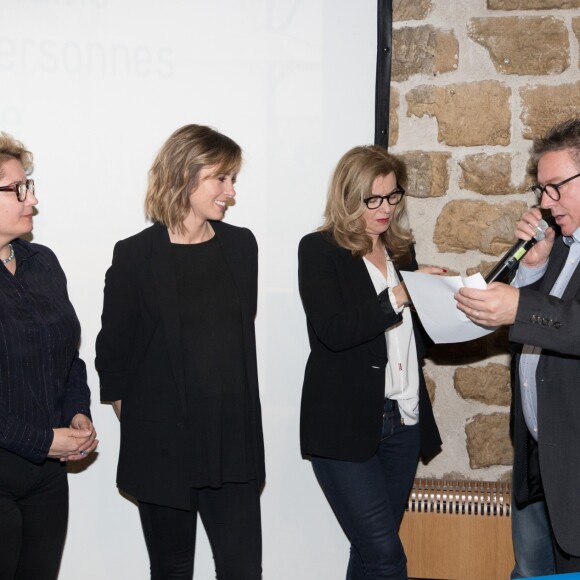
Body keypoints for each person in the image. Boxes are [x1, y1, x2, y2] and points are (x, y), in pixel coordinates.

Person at [95, 124, 265, 580]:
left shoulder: (241, 246)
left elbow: (235, 335)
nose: (231, 192)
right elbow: (113, 352)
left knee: (244, 569)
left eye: (233, 180)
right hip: (163, 446)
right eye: (221, 179)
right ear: (185, 176)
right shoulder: (134, 255)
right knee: (171, 570)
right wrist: (142, 417)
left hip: (232, 442)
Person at [298, 145, 443, 579]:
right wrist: (399, 296)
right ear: (348, 197)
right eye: (372, 200)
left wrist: (443, 307)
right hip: (345, 425)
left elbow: (413, 343)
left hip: (404, 420)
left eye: (393, 196)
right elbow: (335, 331)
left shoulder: (401, 251)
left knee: (367, 553)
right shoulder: (319, 250)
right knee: (386, 558)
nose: (384, 209)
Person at [455, 117, 580, 573]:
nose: (545, 202)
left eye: (555, 187)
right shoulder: (563, 244)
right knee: (530, 570)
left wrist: (520, 307)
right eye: (541, 190)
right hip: (538, 454)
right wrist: (532, 267)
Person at [0, 133, 97, 580]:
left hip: (45, 478)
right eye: (17, 189)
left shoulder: (43, 262)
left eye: (29, 185)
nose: (31, 198)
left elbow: (67, 356)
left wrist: (77, 412)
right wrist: (42, 439)